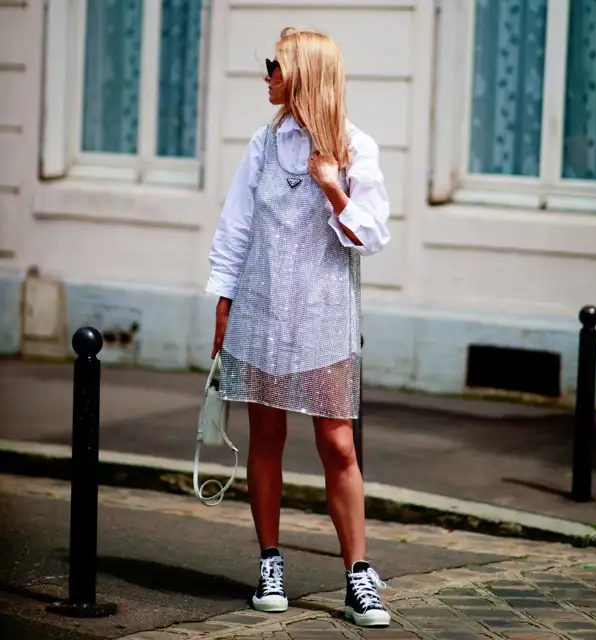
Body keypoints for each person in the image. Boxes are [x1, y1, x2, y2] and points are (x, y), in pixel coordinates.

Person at [206, 26, 391, 628]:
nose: (266, 75)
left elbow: (374, 236)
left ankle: (358, 577)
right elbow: (235, 229)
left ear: (305, 73)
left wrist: (332, 186)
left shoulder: (356, 146)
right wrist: (223, 304)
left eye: (275, 65)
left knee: (338, 445)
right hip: (261, 314)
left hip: (324, 320)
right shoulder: (262, 145)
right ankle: (270, 562)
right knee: (266, 439)